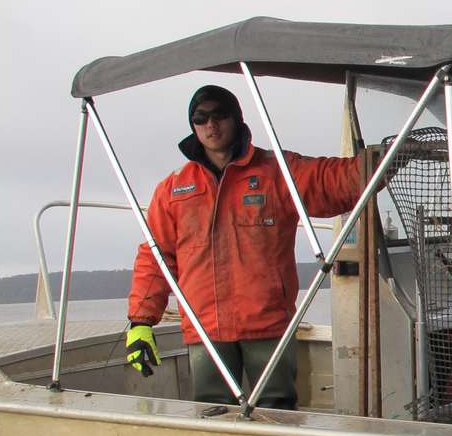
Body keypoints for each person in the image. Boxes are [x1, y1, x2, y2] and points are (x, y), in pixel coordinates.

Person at [125, 84, 365, 408]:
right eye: (200, 118)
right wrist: (141, 322)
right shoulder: (173, 189)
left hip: (267, 324)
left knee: (277, 410)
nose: (210, 125)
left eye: (219, 115)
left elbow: (331, 180)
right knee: (211, 412)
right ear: (193, 126)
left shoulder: (276, 172)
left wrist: (380, 160)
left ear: (236, 118)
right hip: (205, 328)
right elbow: (156, 257)